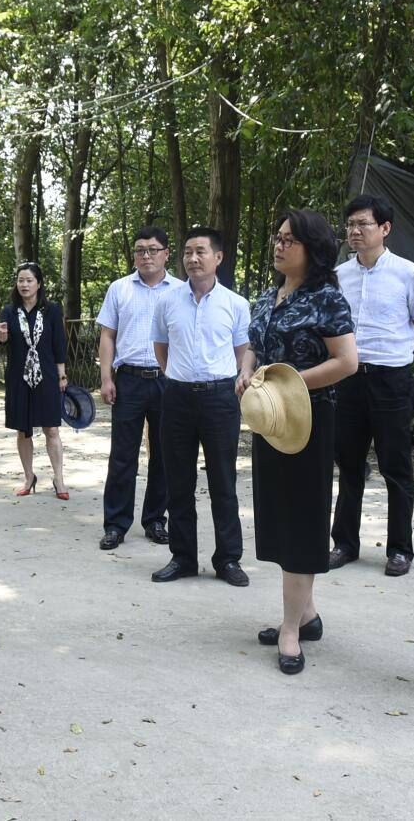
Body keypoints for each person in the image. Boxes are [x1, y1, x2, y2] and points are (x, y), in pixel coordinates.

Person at [239, 210, 357, 674]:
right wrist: (247, 371)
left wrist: (289, 384)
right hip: (270, 419)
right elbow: (253, 345)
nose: (279, 245)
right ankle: (306, 615)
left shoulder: (327, 298)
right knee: (278, 517)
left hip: (309, 420)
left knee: (302, 521)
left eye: (290, 239)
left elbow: (346, 361)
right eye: (278, 237)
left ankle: (291, 629)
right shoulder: (268, 296)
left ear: (314, 248)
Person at [329, 194, 414, 576]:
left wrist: (397, 353)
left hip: (391, 380)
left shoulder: (408, 273)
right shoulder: (339, 275)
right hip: (348, 380)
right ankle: (344, 544)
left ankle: (400, 549)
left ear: (385, 228)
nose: (355, 231)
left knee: (396, 467)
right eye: (350, 225)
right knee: (349, 465)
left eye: (363, 224)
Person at [150, 227, 251, 586]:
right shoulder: (167, 301)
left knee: (223, 481)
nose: (193, 259)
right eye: (188, 252)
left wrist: (222, 383)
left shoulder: (236, 304)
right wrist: (178, 377)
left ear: (218, 258)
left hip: (220, 399)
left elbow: (243, 353)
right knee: (178, 482)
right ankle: (183, 557)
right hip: (177, 397)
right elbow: (161, 347)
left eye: (201, 252)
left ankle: (228, 559)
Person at [95, 227, 180, 550]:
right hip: (128, 379)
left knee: (164, 454)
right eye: (140, 250)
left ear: (166, 254)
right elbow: (108, 335)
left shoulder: (181, 291)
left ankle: (155, 519)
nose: (146, 255)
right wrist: (106, 378)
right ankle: (116, 524)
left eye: (153, 249)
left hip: (167, 380)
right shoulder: (119, 288)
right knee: (122, 455)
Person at [0, 262, 70, 498]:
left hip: (47, 376)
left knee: (52, 429)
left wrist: (62, 375)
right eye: (20, 280)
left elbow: (59, 343)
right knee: (22, 431)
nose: (24, 284)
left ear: (39, 283)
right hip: (18, 377)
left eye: (29, 280)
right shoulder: (9, 311)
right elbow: (4, 343)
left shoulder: (52, 310)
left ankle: (59, 479)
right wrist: (1, 337)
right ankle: (29, 477)